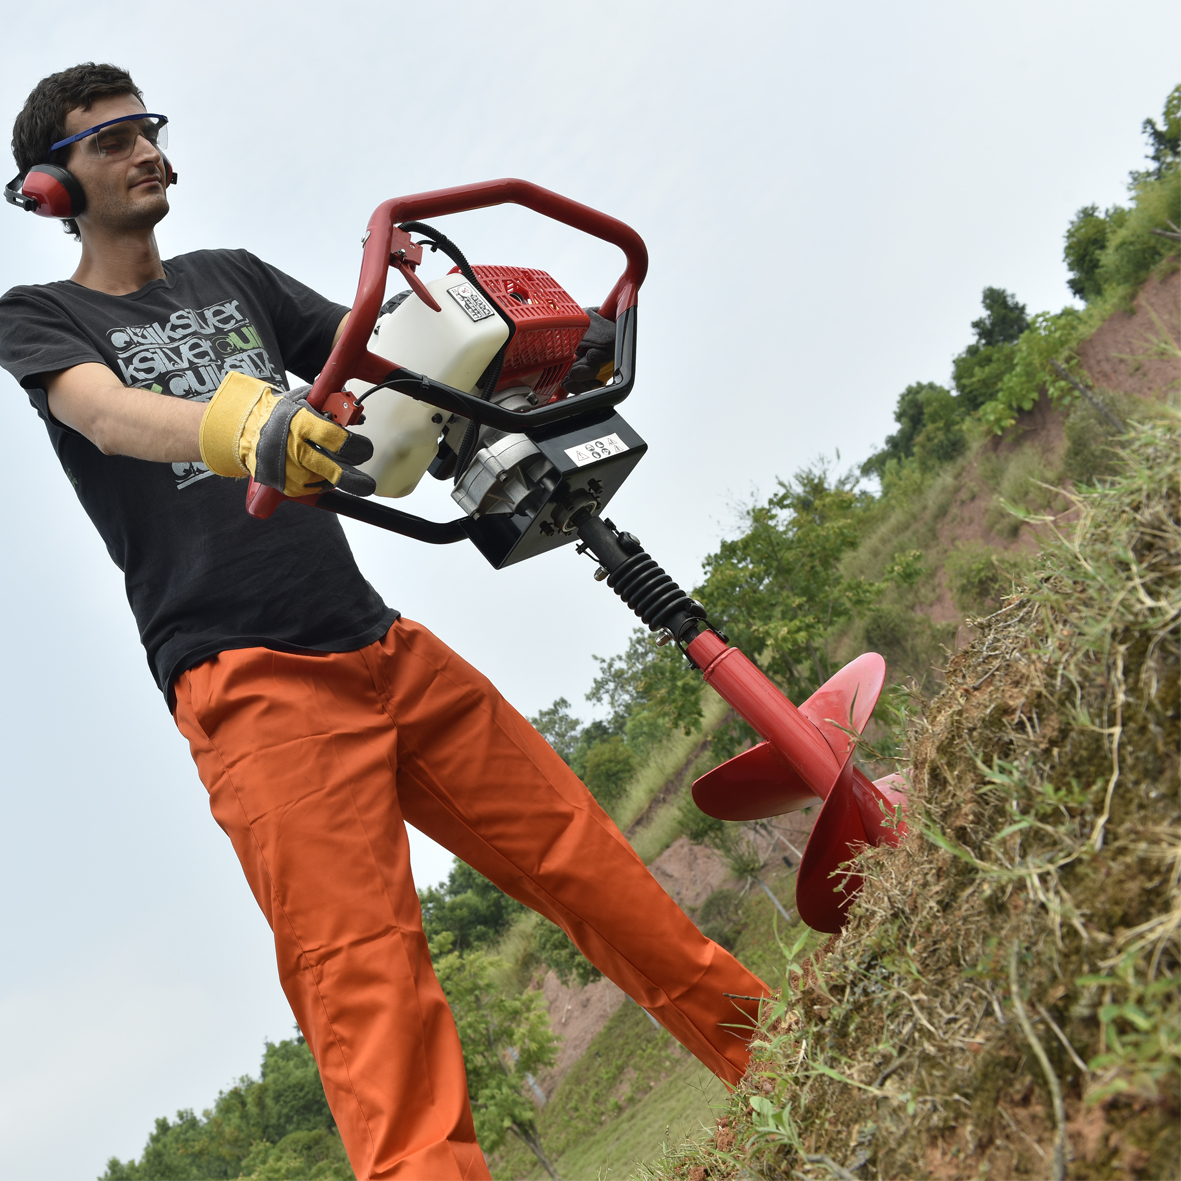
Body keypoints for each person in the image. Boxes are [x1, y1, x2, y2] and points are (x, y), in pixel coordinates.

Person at [0, 63, 770, 1180]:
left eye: (150, 129)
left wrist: (519, 354)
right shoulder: (42, 317)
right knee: (368, 981)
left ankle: (793, 1067)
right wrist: (246, 426)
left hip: (378, 641)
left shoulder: (234, 279)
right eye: (112, 140)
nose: (145, 152)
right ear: (51, 187)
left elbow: (397, 370)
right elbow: (107, 416)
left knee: (590, 864)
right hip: (253, 687)